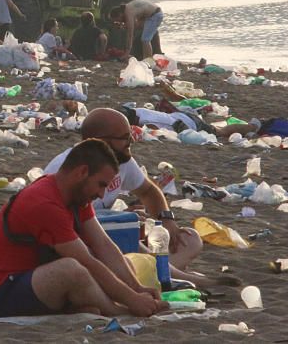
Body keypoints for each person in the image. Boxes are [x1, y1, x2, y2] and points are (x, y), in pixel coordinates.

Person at [0, 138, 167, 318]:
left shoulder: (76, 195)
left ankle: (87, 306)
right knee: (71, 269)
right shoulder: (44, 203)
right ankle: (117, 311)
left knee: (121, 262)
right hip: (5, 292)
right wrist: (132, 300)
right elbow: (86, 262)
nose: (102, 195)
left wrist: (137, 288)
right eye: (101, 185)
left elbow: (104, 245)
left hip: (37, 279)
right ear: (82, 172)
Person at [43, 108, 215, 288]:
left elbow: (149, 191)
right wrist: (120, 219)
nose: (131, 140)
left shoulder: (121, 160)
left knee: (190, 239)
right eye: (125, 137)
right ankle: (169, 273)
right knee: (122, 234)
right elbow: (71, 225)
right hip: (81, 244)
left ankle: (156, 270)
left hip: (108, 238)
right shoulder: (69, 170)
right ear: (102, 141)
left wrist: (167, 221)